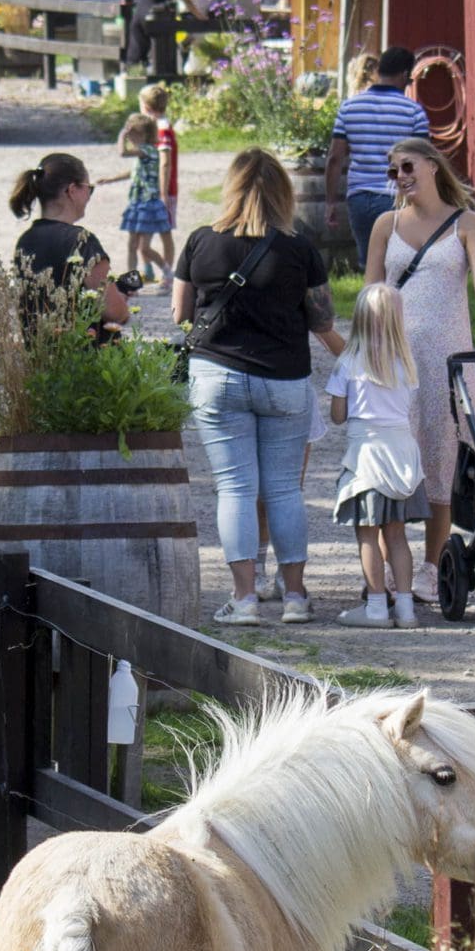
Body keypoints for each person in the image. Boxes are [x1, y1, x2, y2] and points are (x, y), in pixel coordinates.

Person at [173, 147, 342, 627]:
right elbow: (322, 319)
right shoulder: (300, 248)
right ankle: (295, 598)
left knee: (235, 489)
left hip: (218, 377)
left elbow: (180, 314)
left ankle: (244, 599)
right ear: (282, 194)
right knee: (285, 490)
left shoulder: (200, 242)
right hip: (284, 379)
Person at [364, 136, 475, 604]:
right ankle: (387, 571)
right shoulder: (386, 223)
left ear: (432, 166)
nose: (399, 176)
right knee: (391, 459)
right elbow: (370, 289)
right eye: (393, 170)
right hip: (396, 359)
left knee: (442, 458)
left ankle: (430, 565)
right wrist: (368, 346)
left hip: (447, 355)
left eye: (407, 166)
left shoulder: (466, 223)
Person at [329, 283, 426, 630]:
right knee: (397, 536)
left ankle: (375, 607)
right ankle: (405, 608)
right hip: (402, 456)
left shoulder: (350, 362)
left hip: (367, 459)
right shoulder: (406, 363)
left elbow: (338, 416)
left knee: (368, 534)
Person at [325, 44, 429, 266]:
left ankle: (372, 300)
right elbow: (423, 161)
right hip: (396, 196)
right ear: (404, 75)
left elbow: (335, 158)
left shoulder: (349, 108)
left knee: (369, 264)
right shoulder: (413, 112)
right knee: (398, 264)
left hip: (359, 197)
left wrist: (331, 202)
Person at [10, 153, 130, 330]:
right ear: (72, 190)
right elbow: (115, 312)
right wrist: (121, 300)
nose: (89, 195)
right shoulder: (82, 241)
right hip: (79, 352)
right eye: (88, 188)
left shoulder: (26, 240)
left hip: (38, 351)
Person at [116, 111, 174, 286]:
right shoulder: (142, 154)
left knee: (144, 247)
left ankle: (167, 271)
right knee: (132, 245)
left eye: (134, 134)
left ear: (145, 135)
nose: (131, 137)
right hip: (137, 202)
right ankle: (131, 283)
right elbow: (134, 173)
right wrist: (111, 179)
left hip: (148, 203)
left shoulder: (148, 150)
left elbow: (122, 153)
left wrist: (121, 136)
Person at [138, 83, 179, 281]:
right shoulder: (158, 128)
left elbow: (165, 164)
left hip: (162, 191)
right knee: (151, 235)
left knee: (162, 234)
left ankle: (167, 272)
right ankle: (156, 270)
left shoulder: (162, 131)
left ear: (146, 107)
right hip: (151, 190)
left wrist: (163, 193)